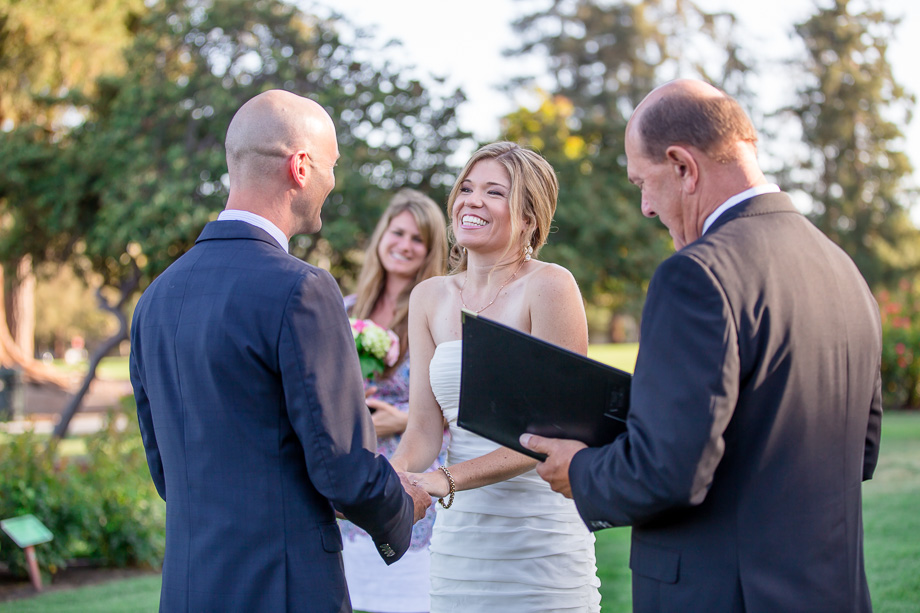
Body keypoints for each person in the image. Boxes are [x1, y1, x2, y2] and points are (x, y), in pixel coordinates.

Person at [522, 79, 883, 612]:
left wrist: (579, 468)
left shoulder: (697, 277)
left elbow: (667, 472)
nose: (645, 207)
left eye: (643, 182)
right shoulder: (841, 268)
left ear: (683, 167)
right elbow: (862, 451)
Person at [129, 89, 431, 613]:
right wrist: (402, 505)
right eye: (332, 167)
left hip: (187, 588)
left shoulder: (156, 296)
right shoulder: (303, 289)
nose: (333, 183)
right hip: (285, 587)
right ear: (300, 166)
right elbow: (342, 465)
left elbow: (165, 469)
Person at [390, 142, 602, 612]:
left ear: (529, 217)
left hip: (539, 541)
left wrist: (446, 478)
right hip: (461, 543)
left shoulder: (550, 286)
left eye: (494, 192)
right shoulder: (428, 297)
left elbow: (556, 431)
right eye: (466, 188)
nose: (471, 201)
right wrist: (393, 478)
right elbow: (424, 428)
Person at [339, 188, 449, 613]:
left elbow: (454, 405)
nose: (404, 245)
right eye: (398, 232)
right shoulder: (344, 308)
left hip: (411, 471)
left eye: (417, 239)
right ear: (382, 234)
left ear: (430, 250)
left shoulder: (436, 314)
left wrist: (399, 420)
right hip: (355, 468)